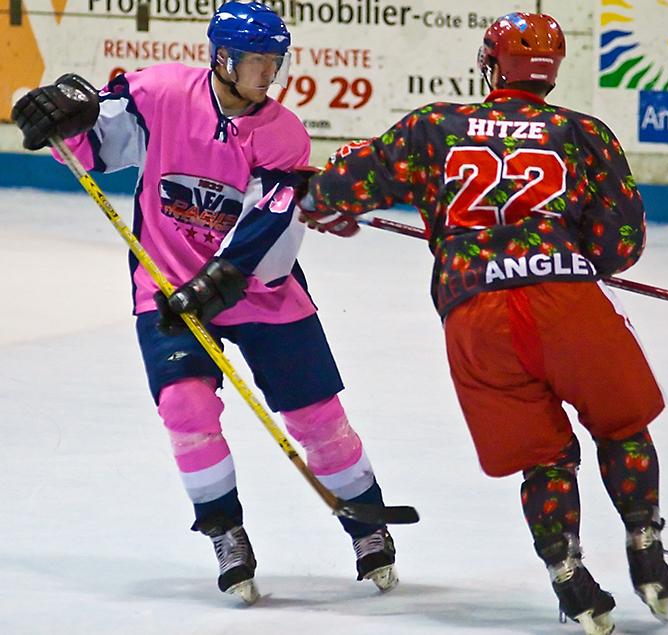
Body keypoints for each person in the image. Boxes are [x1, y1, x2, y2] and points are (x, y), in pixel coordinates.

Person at [297, 12, 668, 635]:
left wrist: (320, 203)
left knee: (545, 457)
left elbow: (343, 183)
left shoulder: (435, 127)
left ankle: (570, 579)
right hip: (567, 301)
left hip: (477, 314)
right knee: (621, 424)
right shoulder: (583, 133)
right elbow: (620, 245)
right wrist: (570, 250)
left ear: (489, 63)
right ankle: (646, 547)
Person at [11, 0, 399, 604]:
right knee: (186, 410)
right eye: (257, 63)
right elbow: (97, 142)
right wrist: (62, 110)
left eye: (276, 63)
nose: (267, 75)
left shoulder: (282, 132)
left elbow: (268, 219)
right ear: (223, 57)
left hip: (257, 288)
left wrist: (219, 278)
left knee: (317, 418)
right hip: (164, 282)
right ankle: (225, 530)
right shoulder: (160, 92)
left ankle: (368, 525)